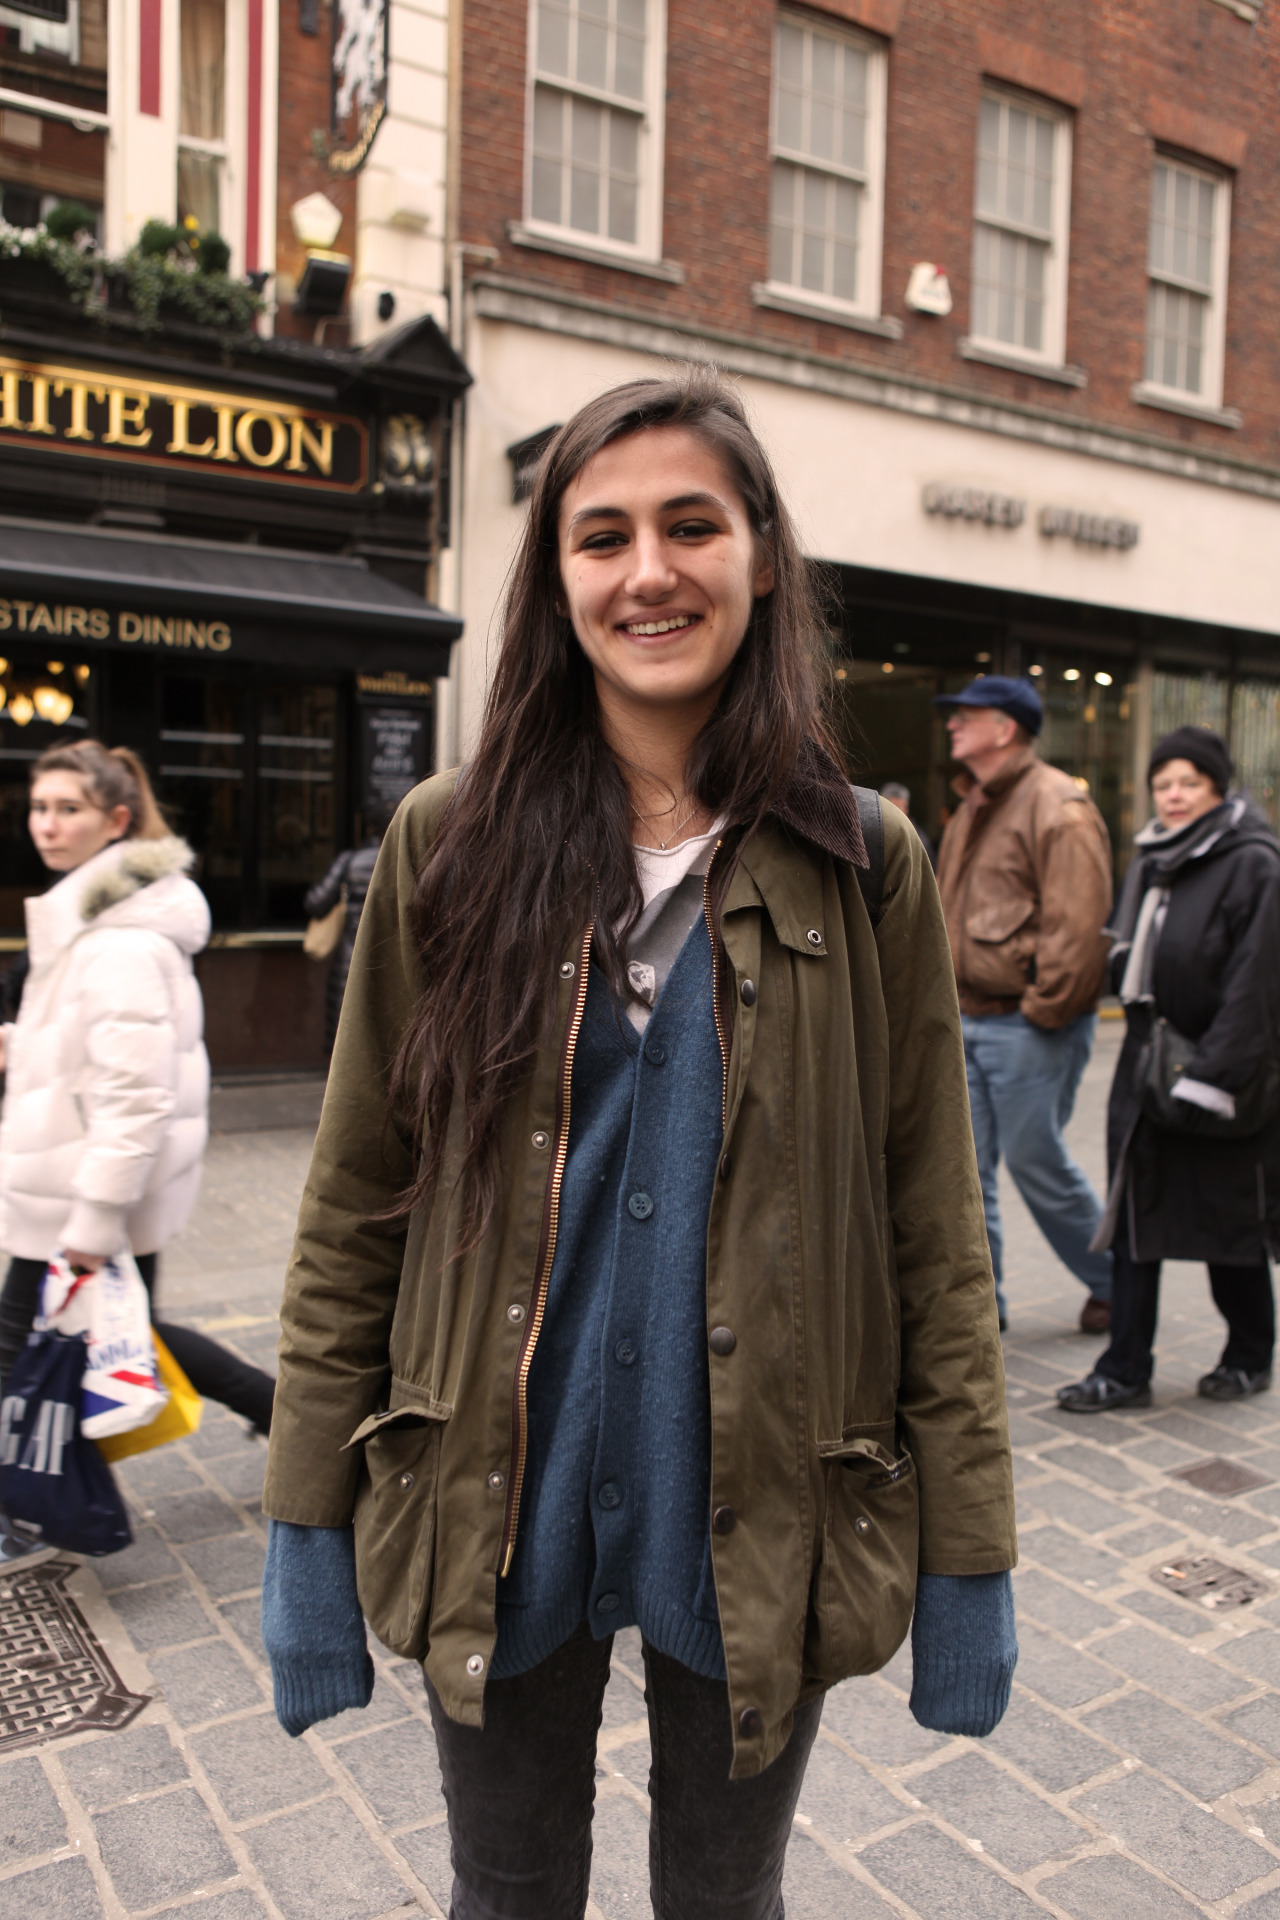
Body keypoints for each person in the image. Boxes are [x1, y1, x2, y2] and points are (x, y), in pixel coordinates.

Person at [259, 370, 1017, 1920]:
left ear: (759, 557)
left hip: (768, 1505)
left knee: (723, 1904)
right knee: (509, 1894)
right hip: (490, 1490)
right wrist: (299, 1518)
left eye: (692, 524)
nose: (649, 570)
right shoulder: (448, 845)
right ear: (556, 579)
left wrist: (972, 1546)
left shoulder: (862, 858)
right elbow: (355, 1201)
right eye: (601, 537)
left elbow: (935, 1227)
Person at [0, 742, 275, 1437]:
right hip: (76, 1181)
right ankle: (284, 1414)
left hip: (82, 1192)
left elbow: (136, 1090)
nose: (47, 825)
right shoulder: (89, 920)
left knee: (20, 1352)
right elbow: (99, 1052)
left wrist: (94, 1219)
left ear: (117, 820)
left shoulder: (117, 938)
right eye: (39, 807)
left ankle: (23, 1512)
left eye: (69, 809)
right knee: (119, 1335)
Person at [1058, 727, 1280, 1412]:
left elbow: (1258, 986)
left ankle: (1250, 1353)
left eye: (1187, 782)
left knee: (1228, 1225)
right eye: (1163, 784)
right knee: (1133, 1224)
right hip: (1146, 1065)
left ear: (1217, 786)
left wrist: (1211, 1078)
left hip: (1219, 1075)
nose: (1174, 796)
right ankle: (1124, 1368)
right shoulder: (1157, 856)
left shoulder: (1254, 864)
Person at [935, 676, 1114, 1335]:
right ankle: (983, 1311)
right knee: (965, 1177)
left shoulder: (1057, 805)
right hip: (970, 1018)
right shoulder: (975, 803)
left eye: (966, 716)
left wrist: (1042, 1012)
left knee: (1039, 1163)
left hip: (1025, 1024)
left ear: (1005, 729)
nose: (953, 725)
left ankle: (1118, 1282)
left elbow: (1079, 926)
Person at [304, 805, 392, 1051]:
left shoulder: (349, 861)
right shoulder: (400, 860)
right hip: (389, 958)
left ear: (367, 828)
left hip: (349, 960)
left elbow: (316, 902)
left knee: (346, 1045)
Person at [880, 780, 936, 868]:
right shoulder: (874, 833)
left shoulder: (919, 838)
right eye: (892, 807)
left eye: (901, 807)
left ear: (906, 809)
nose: (897, 812)